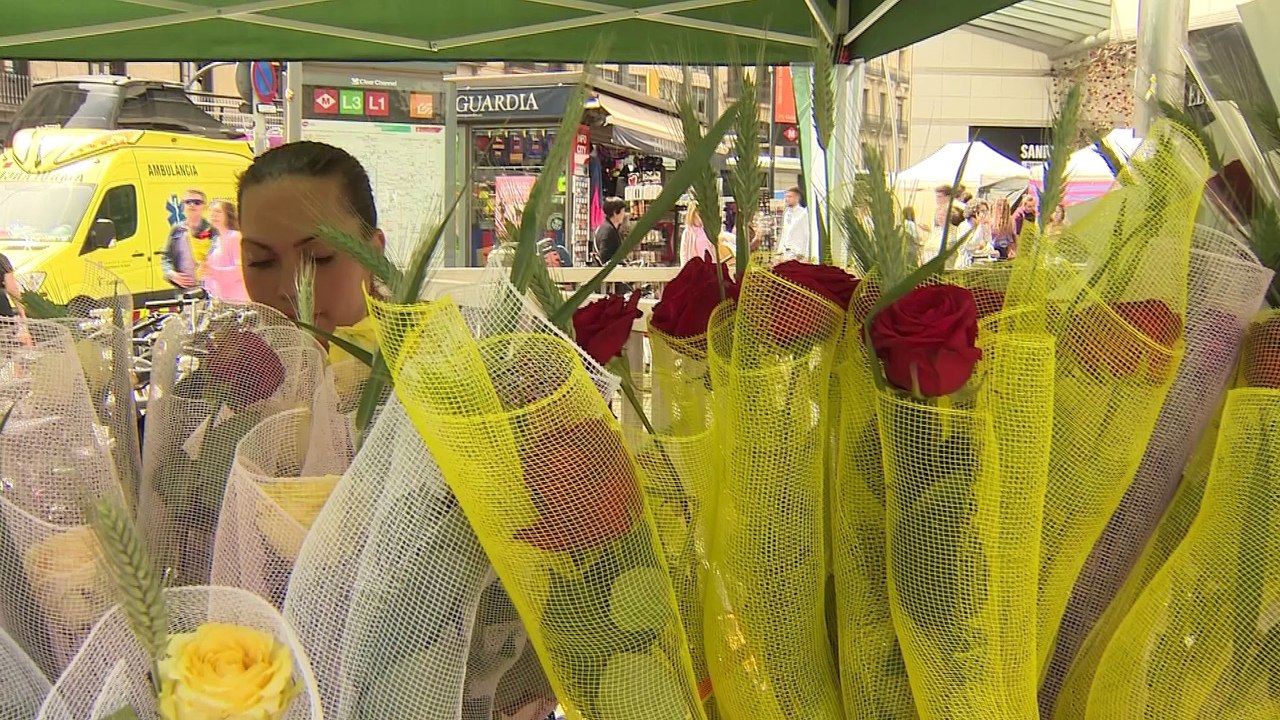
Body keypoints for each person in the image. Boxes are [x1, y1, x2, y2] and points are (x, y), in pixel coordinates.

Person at [237, 142, 384, 350]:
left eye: (318, 257)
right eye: (261, 261)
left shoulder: (434, 368)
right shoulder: (225, 372)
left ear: (374, 255)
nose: (290, 289)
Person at [162, 188, 218, 290]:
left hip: (207, 289)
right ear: (183, 206)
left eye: (197, 202)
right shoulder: (177, 230)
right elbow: (166, 258)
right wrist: (172, 275)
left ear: (204, 207)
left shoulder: (212, 230)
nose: (192, 205)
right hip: (183, 291)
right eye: (188, 202)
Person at [202, 199, 250, 302]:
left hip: (237, 301)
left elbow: (241, 270)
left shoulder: (235, 237)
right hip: (220, 299)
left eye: (218, 211)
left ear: (228, 215)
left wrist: (213, 271)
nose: (213, 215)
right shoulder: (217, 239)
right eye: (211, 211)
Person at [777, 186, 811, 262]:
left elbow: (807, 234)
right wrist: (779, 253)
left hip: (798, 254)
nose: (787, 199)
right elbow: (784, 233)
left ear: (797, 198)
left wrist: (806, 254)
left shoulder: (803, 214)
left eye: (789, 197)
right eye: (786, 197)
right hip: (786, 254)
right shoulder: (787, 213)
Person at [592, 197, 627, 266]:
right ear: (615, 213)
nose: (624, 214)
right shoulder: (608, 231)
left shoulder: (603, 227)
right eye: (623, 211)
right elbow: (604, 257)